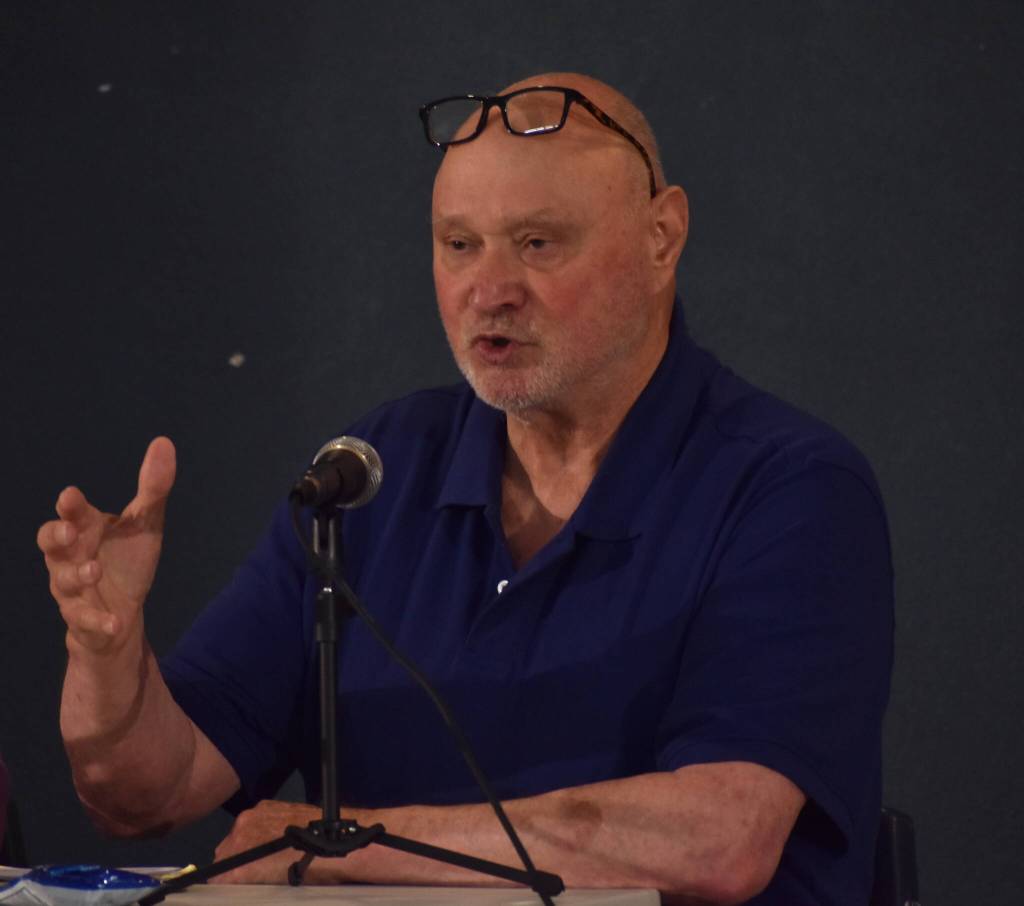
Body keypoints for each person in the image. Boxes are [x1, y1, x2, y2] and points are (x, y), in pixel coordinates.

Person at [37, 73, 892, 905]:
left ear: (661, 238)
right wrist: (108, 658)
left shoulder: (789, 487)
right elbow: (150, 794)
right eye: (458, 244)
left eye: (538, 243)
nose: (489, 292)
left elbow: (721, 840)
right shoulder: (372, 471)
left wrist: (348, 846)